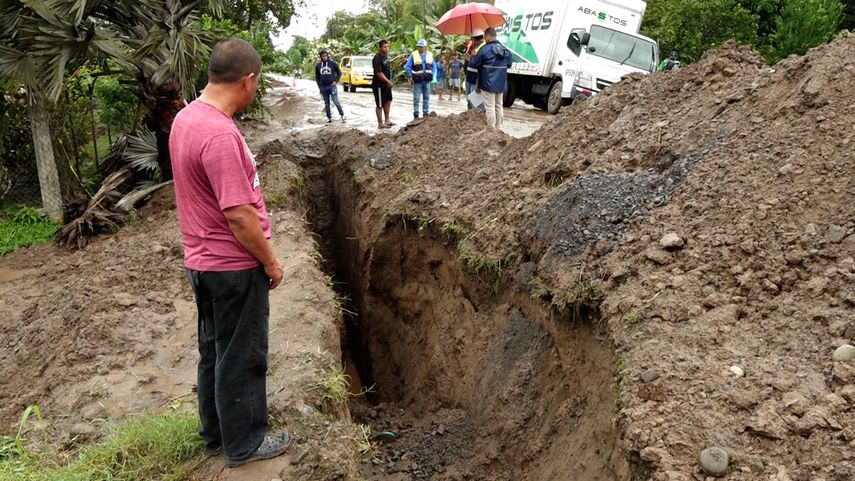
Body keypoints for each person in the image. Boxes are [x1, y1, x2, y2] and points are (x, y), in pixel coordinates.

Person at [169, 37, 291, 469]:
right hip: (234, 267)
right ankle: (245, 444)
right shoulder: (220, 134)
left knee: (215, 352)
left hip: (202, 263)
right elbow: (239, 215)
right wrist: (270, 261)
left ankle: (216, 435)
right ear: (248, 81)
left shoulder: (186, 118)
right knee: (243, 356)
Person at [469, 27, 513, 130]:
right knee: (499, 105)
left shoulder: (484, 50)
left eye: (485, 36)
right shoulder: (505, 50)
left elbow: (473, 64)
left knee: (490, 107)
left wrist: (473, 57)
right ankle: (498, 128)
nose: (484, 39)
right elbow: (509, 64)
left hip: (487, 83)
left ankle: (491, 129)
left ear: (488, 37)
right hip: (501, 84)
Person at [405, 38, 437, 119]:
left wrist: (432, 73)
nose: (420, 48)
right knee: (416, 98)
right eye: (419, 46)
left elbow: (434, 65)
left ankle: (425, 113)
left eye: (421, 47)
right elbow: (407, 67)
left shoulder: (429, 55)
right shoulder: (413, 55)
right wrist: (411, 75)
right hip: (417, 80)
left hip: (427, 80)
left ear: (425, 47)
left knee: (426, 97)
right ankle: (416, 113)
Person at [314, 50, 346, 123]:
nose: (325, 57)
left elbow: (339, 73)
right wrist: (320, 87)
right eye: (323, 56)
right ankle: (329, 118)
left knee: (336, 101)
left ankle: (342, 115)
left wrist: (335, 81)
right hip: (324, 87)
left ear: (327, 56)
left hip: (332, 86)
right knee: (326, 104)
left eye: (326, 56)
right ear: (321, 57)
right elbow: (317, 78)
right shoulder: (318, 66)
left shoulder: (333, 64)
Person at [372, 40, 394, 129]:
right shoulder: (377, 58)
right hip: (379, 85)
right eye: (384, 47)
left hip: (386, 85)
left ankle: (387, 120)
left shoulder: (385, 57)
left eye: (387, 47)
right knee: (380, 104)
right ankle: (380, 124)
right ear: (380, 48)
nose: (387, 48)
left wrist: (389, 82)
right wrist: (388, 82)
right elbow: (379, 73)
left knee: (388, 101)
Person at [464, 28, 486, 111]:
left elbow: (479, 64)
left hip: (476, 78)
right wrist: (471, 58)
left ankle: (477, 115)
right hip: (470, 77)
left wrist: (472, 58)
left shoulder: (483, 48)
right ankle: (470, 114)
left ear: (474, 39)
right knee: (469, 99)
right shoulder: (475, 47)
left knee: (476, 102)